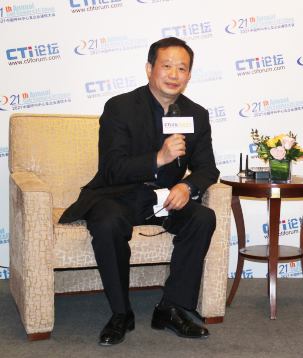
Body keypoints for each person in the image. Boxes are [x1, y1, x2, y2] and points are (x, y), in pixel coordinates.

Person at [59, 37, 219, 346]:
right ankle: (121, 313)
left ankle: (171, 308)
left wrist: (187, 186)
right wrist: (158, 158)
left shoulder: (196, 115)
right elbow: (111, 167)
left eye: (181, 68)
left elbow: (207, 168)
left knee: (203, 218)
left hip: (163, 199)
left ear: (189, 75)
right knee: (107, 222)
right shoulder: (120, 107)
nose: (173, 74)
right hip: (118, 195)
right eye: (166, 66)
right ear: (149, 68)